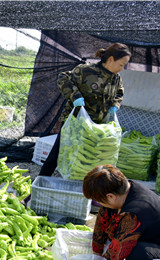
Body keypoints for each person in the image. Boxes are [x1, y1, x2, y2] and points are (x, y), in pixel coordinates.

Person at [39, 43, 131, 177]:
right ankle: (39, 184)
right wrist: (75, 95)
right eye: (121, 64)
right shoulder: (85, 70)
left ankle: (84, 190)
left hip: (97, 127)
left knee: (89, 160)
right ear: (110, 59)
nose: (122, 68)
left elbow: (119, 92)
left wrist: (115, 104)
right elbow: (63, 79)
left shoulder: (116, 78)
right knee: (57, 153)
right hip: (75, 122)